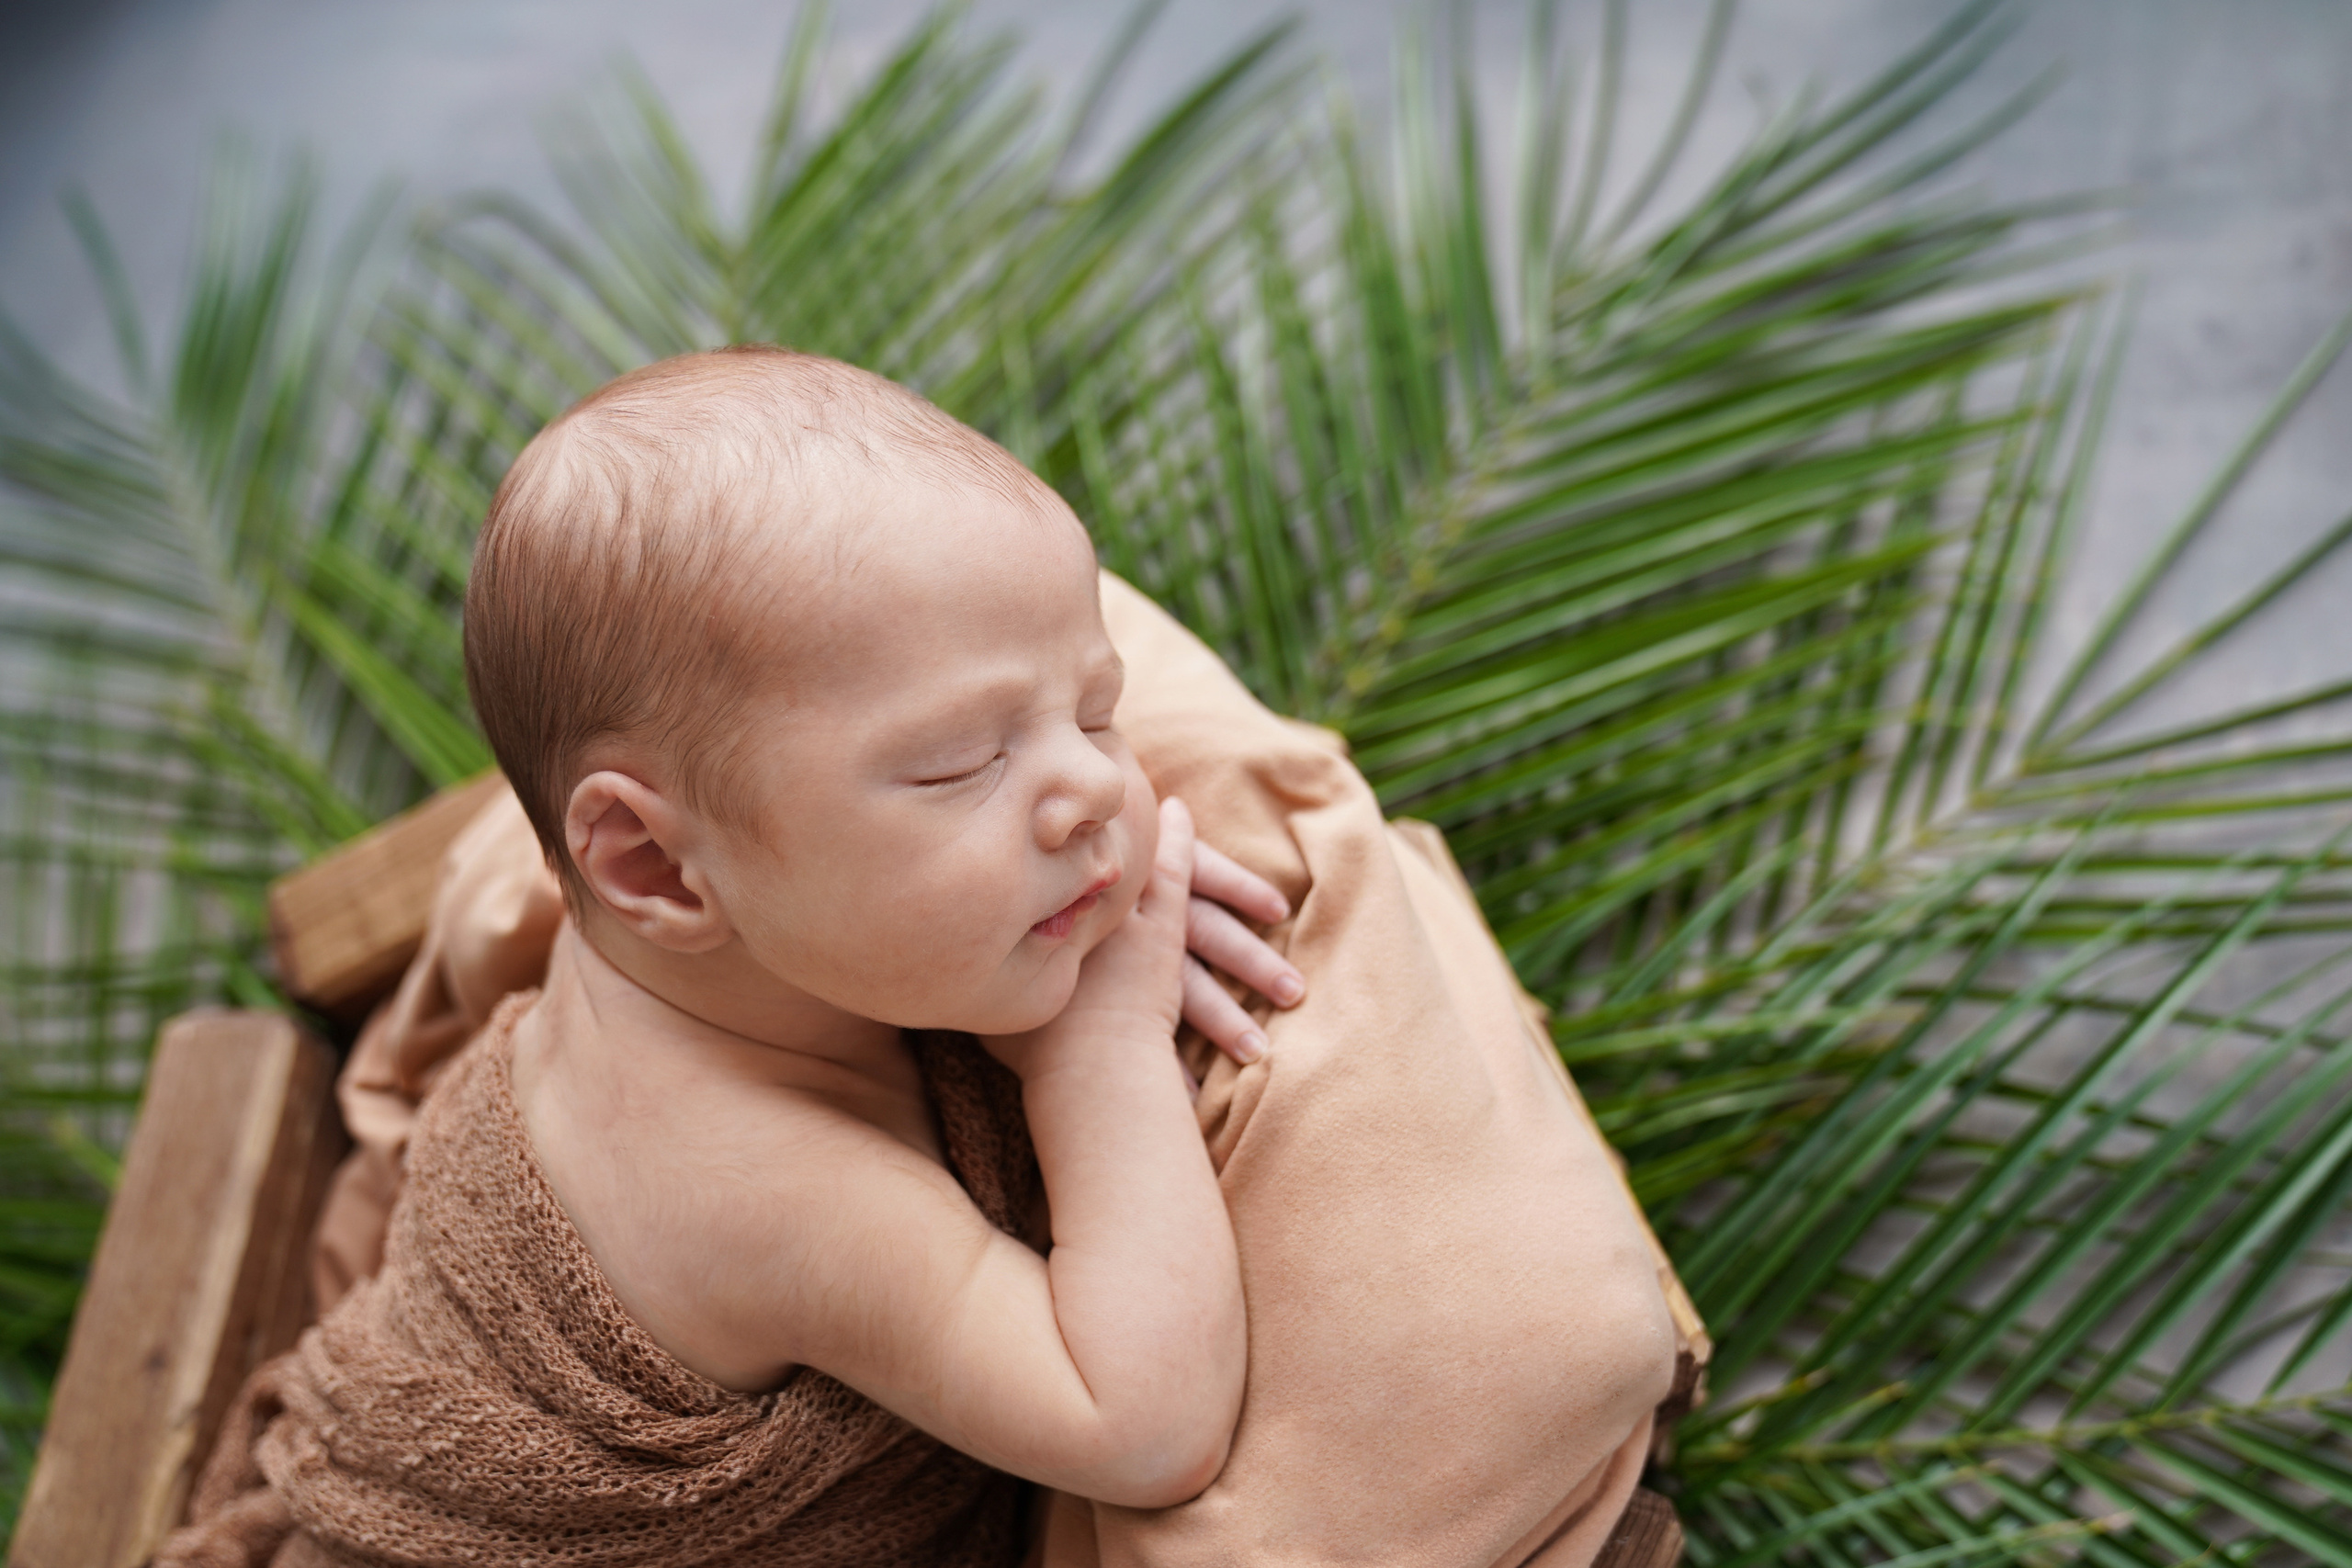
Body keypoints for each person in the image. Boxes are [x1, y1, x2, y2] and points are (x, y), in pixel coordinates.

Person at [164, 347, 1690, 1568]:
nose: (1099, 787)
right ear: (647, 864)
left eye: (1093, 706)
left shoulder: (712, 948)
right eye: (963, 762)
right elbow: (1142, 1424)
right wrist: (1095, 1053)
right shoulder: (761, 1184)